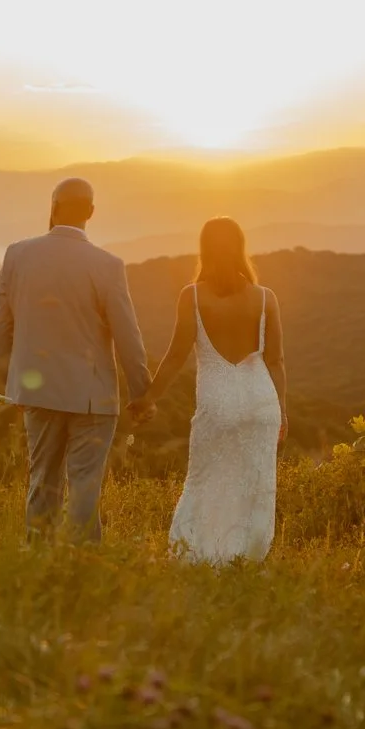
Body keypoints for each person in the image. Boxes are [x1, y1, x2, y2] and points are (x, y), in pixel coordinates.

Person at [0, 177, 151, 544]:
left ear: (53, 205)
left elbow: (0, 325)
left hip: (38, 392)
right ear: (91, 213)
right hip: (93, 398)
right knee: (84, 487)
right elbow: (128, 336)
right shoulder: (107, 265)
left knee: (42, 480)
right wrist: (142, 393)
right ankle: (81, 567)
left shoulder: (17, 254)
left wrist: (12, 384)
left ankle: (39, 561)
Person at [128, 217, 284, 564]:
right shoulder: (266, 298)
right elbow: (277, 361)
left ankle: (201, 557)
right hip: (261, 403)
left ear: (204, 250)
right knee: (253, 487)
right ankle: (243, 560)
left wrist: (147, 399)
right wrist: (283, 413)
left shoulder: (193, 297)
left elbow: (174, 357)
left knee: (207, 480)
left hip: (218, 401)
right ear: (241, 248)